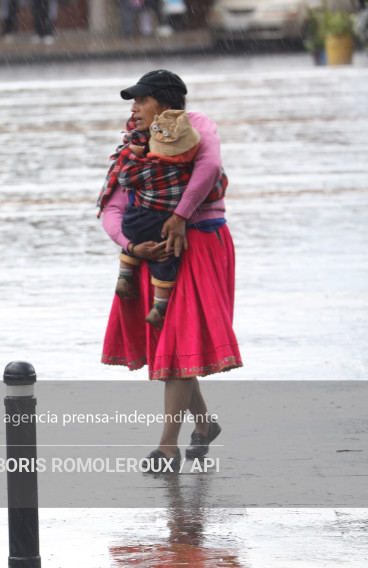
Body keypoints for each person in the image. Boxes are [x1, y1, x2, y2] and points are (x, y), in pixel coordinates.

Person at [97, 70, 242, 473]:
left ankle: (167, 448)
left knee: (177, 344)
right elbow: (112, 209)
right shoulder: (133, 151)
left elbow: (209, 167)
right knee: (176, 343)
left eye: (140, 101)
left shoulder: (197, 127)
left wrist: (179, 215)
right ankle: (205, 423)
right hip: (155, 252)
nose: (134, 109)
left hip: (201, 245)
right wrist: (129, 245)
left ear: (162, 102)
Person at [101, 108, 226, 329]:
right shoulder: (184, 169)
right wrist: (180, 216)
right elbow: (214, 175)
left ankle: (125, 274)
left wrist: (130, 246)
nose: (134, 108)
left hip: (138, 238)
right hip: (174, 242)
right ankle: (160, 306)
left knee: (135, 227)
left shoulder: (131, 161)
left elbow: (112, 208)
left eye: (142, 101)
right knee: (167, 262)